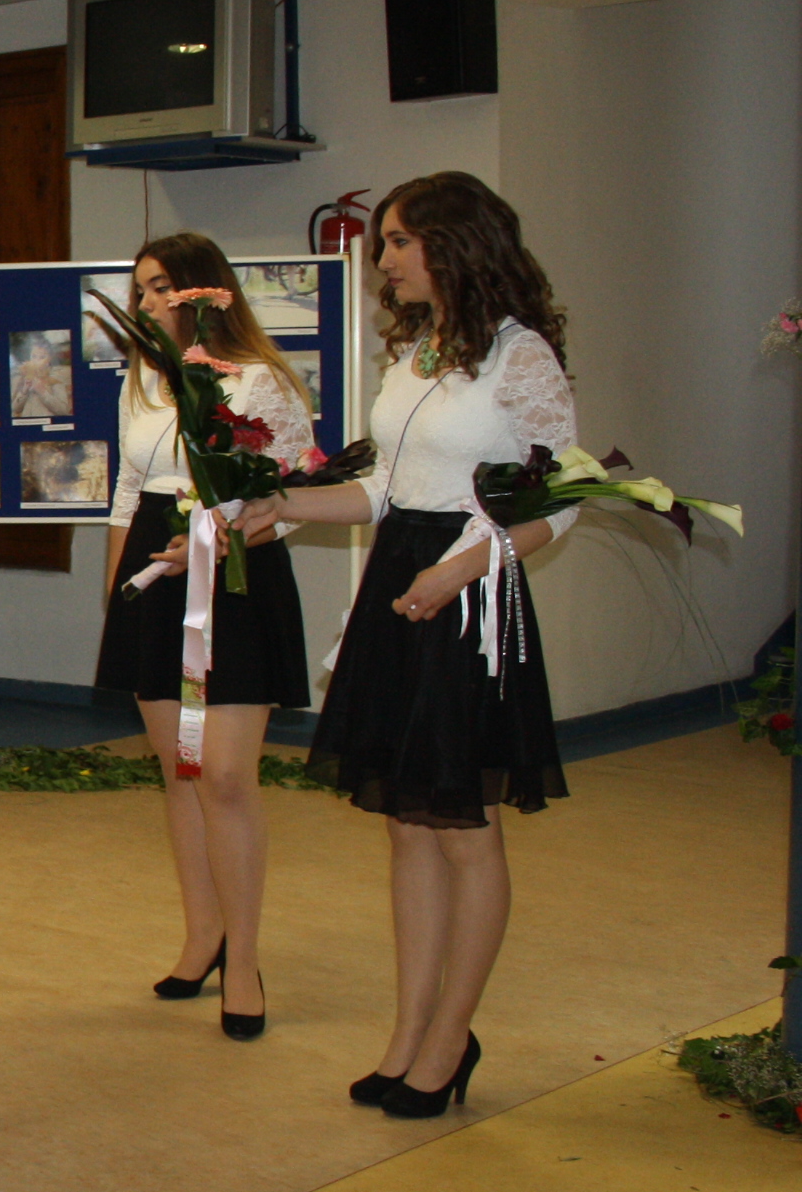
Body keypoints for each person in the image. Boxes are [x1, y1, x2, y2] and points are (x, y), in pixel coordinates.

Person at [238, 173, 576, 1119]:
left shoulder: (521, 356)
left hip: (467, 598)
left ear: (452, 244)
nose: (381, 258)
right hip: (400, 579)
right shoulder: (420, 351)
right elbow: (385, 488)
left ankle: (450, 1037)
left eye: (396, 241)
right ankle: (410, 1031)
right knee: (406, 823)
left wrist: (461, 570)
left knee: (463, 826)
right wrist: (281, 503)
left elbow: (564, 503)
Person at [94, 234, 315, 1041]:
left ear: (202, 292)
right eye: (140, 289)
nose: (148, 302)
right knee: (181, 770)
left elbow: (291, 493)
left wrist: (220, 540)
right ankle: (202, 937)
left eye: (161, 287)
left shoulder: (259, 378)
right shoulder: (142, 378)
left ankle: (244, 961)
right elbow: (126, 494)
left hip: (236, 574)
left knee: (223, 775)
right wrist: (119, 598)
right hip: (155, 573)